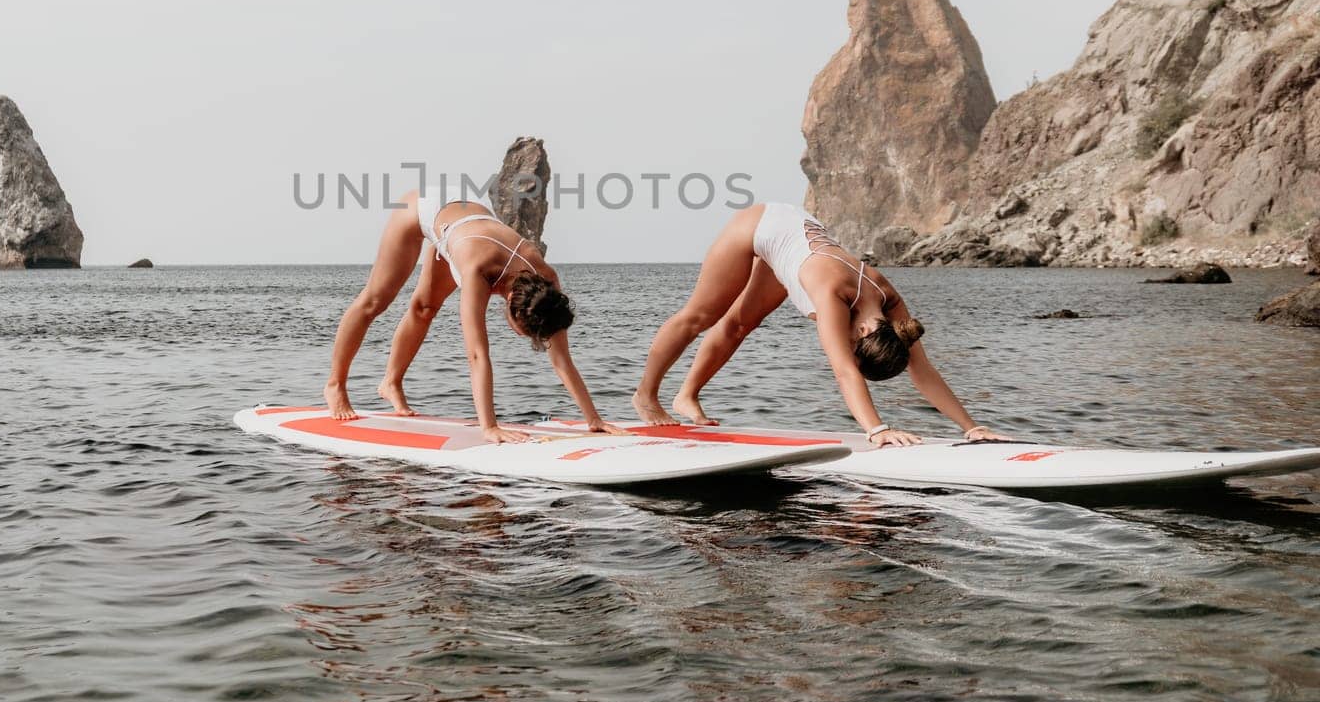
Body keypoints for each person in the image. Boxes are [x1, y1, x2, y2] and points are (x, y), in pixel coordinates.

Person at [634, 202, 1007, 448]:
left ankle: (686, 396)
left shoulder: (888, 301)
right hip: (759, 226)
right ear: (861, 333)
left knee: (739, 326)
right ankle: (646, 397)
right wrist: (877, 430)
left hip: (795, 237)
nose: (844, 345)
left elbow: (922, 368)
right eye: (852, 346)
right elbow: (845, 372)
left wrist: (971, 427)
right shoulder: (833, 295)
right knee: (702, 316)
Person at [324, 191, 627, 444]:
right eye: (523, 332)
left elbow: (562, 358)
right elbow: (477, 355)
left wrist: (594, 419)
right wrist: (490, 427)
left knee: (426, 308)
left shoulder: (547, 280)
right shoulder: (477, 271)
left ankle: (390, 382)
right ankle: (335, 385)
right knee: (375, 300)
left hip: (466, 218)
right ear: (511, 305)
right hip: (424, 208)